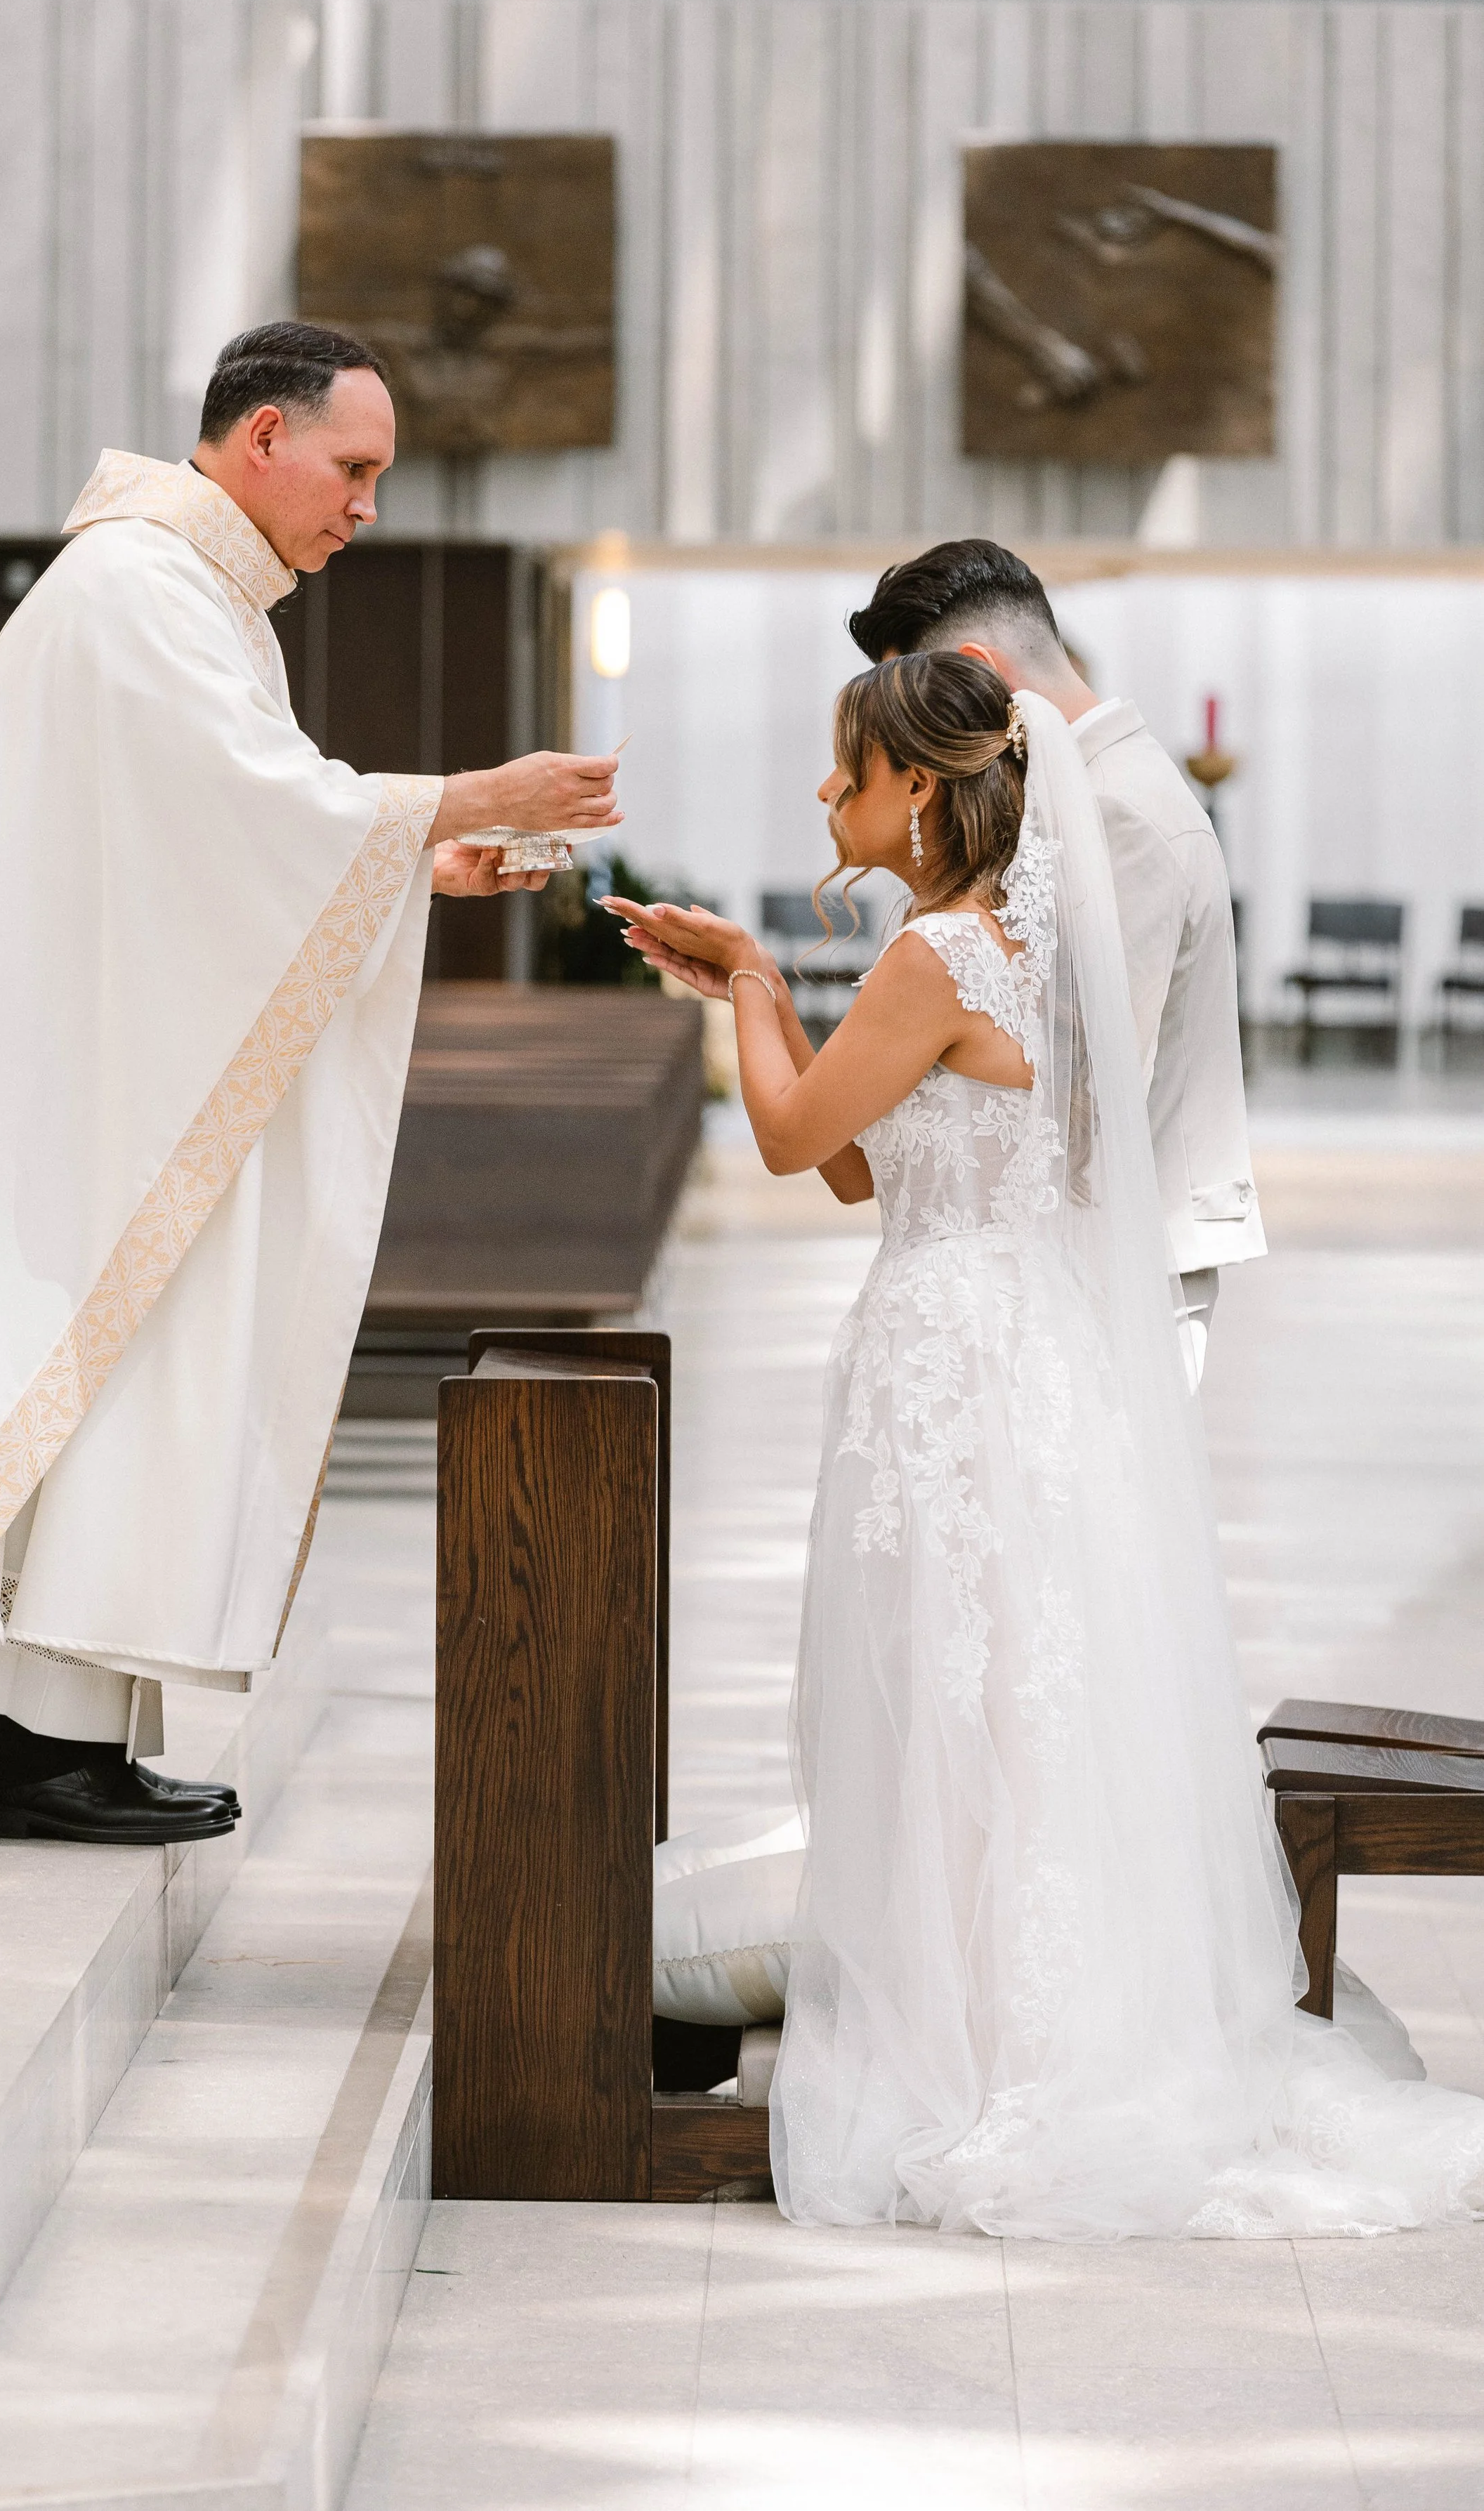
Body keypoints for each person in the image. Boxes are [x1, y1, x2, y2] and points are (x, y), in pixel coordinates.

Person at [607, 656, 1484, 2238]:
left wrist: (745, 983)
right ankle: (1010, 2016)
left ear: (921, 791)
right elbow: (869, 1176)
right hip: (1009, 1364)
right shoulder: (1012, 952)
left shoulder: (935, 953)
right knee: (1001, 1707)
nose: (825, 797)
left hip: (948, 1366)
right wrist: (768, 1003)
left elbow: (799, 1142)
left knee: (952, 1710)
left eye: (846, 772)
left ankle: (971, 2048)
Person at [0, 318, 618, 1847]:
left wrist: (416, 859)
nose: (366, 504)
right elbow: (244, 814)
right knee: (68, 1380)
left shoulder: (192, 594)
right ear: (262, 443)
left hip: (99, 1056)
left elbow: (213, 847)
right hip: (72, 1087)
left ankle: (68, 1744)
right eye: (352, 467)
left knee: (98, 1388)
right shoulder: (138, 590)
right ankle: (33, 1760)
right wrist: (457, 794)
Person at [846, 539, 1261, 1382]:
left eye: (917, 699)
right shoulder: (1086, 790)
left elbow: (1086, 1082)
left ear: (972, 669)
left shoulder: (1117, 813)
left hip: (1110, 1256)